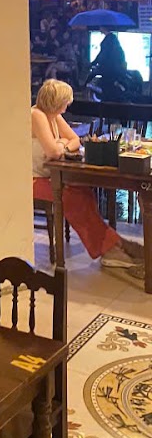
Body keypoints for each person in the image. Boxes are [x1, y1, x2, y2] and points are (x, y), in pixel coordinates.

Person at [31, 79, 143, 272]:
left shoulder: (54, 116)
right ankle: (112, 247)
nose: (68, 105)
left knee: (84, 191)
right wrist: (61, 145)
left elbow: (75, 139)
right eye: (66, 101)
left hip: (49, 175)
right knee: (73, 198)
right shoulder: (37, 115)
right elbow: (53, 152)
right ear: (56, 101)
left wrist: (62, 144)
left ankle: (111, 244)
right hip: (33, 179)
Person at [85, 32, 130, 101]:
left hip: (106, 76)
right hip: (117, 77)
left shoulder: (106, 51)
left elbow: (99, 60)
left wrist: (91, 66)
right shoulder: (120, 51)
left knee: (89, 82)